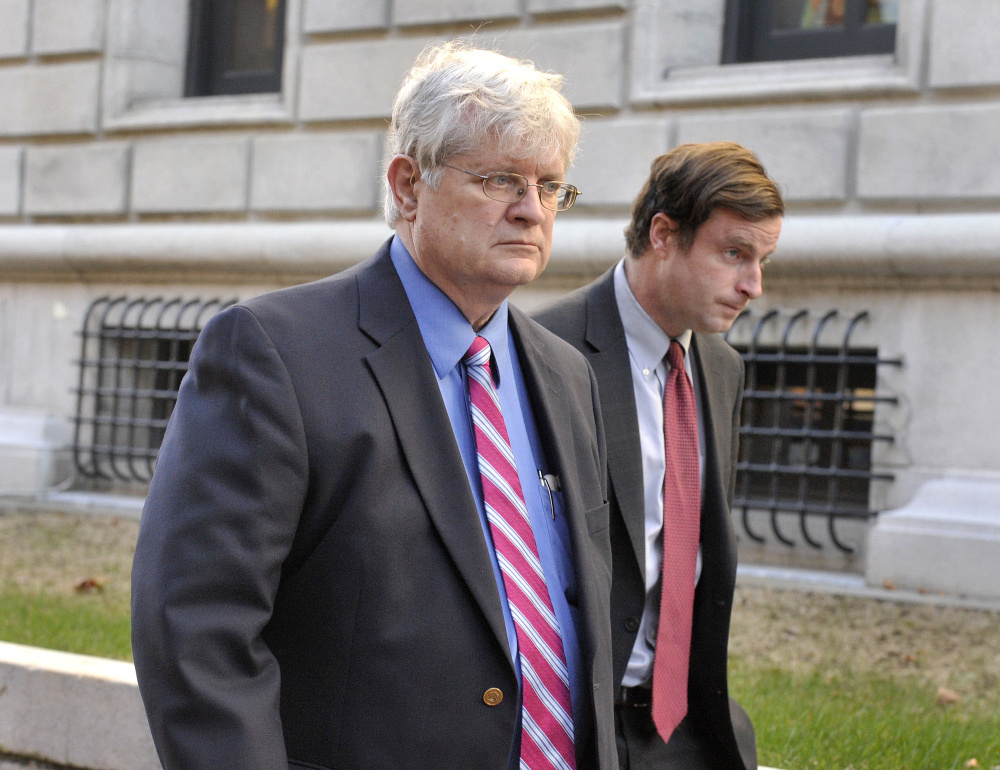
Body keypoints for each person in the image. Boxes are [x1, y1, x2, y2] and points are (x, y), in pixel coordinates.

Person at [131, 42, 618, 770]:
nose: (530, 211)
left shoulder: (566, 374)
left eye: (550, 187)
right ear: (408, 185)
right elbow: (198, 632)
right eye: (500, 180)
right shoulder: (273, 353)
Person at [534, 142, 784, 769]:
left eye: (762, 260)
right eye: (735, 254)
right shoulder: (542, 351)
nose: (754, 285)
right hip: (575, 721)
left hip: (692, 728)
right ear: (664, 234)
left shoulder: (722, 369)